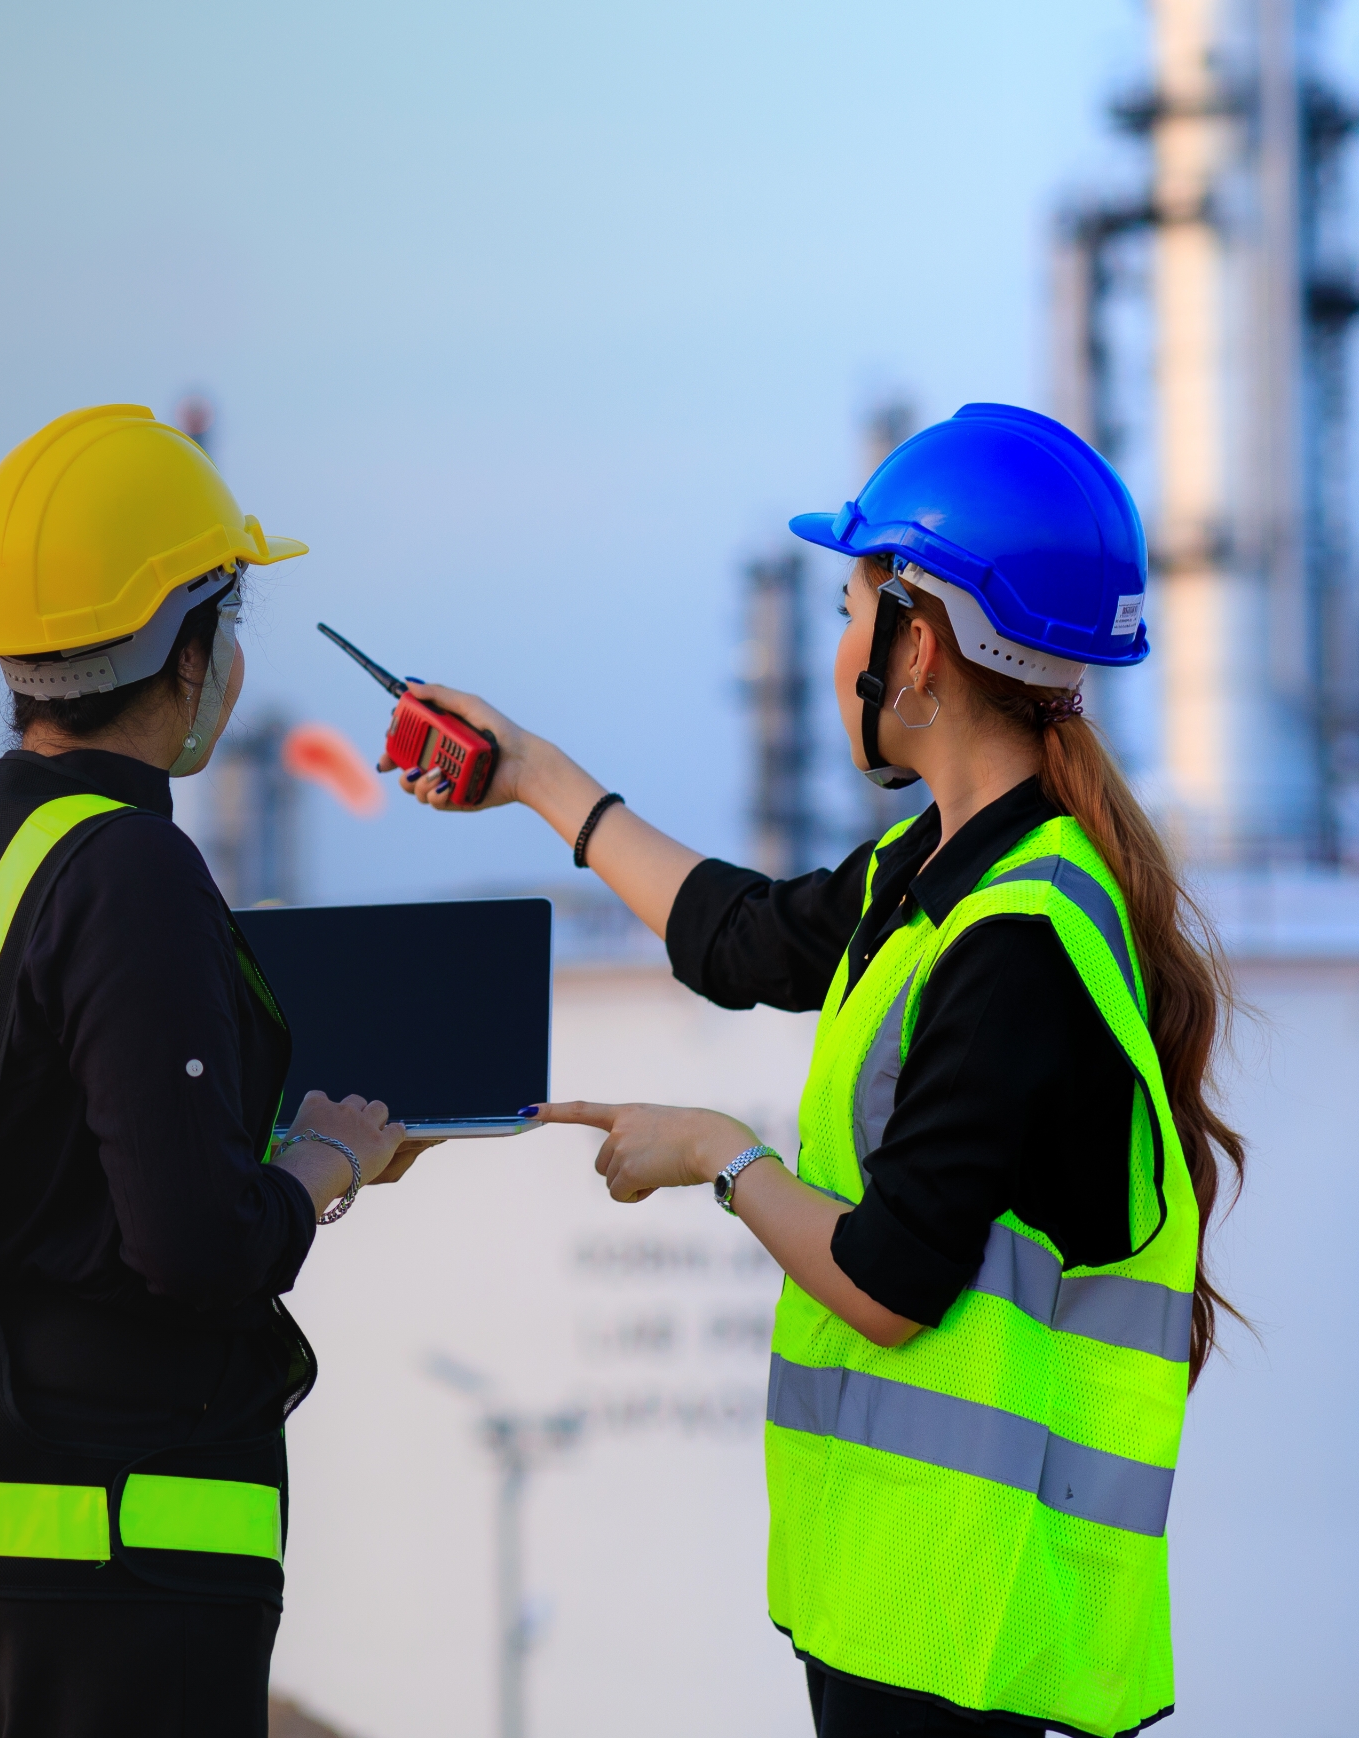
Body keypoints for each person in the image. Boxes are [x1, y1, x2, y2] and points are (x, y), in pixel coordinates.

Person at [386, 403, 1241, 1738]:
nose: (840, 640)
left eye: (852, 605)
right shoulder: (939, 873)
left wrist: (723, 1158)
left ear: (920, 645)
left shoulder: (1018, 938)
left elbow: (896, 1282)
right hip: (908, 1606)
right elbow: (737, 940)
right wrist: (534, 777)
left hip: (972, 1637)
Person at [0, 404, 436, 1738]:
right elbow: (196, 1246)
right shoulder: (129, 867)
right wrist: (318, 1167)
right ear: (190, 646)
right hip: (92, 1556)